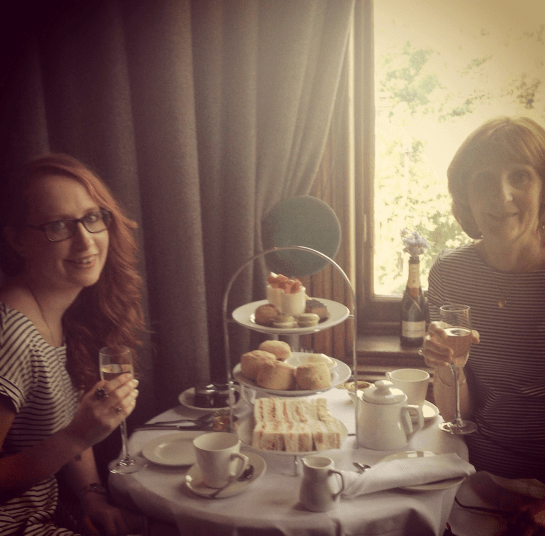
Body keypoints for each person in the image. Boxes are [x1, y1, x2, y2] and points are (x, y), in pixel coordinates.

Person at [0, 154, 146, 535]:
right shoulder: (10, 334)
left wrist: (92, 497)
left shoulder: (61, 311)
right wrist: (78, 435)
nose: (85, 240)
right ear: (17, 240)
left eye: (92, 217)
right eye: (59, 225)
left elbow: (66, 421)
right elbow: (71, 434)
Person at [421, 116, 545, 535]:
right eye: (484, 180)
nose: (502, 195)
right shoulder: (449, 273)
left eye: (520, 176)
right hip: (475, 477)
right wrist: (446, 367)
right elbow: (456, 414)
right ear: (465, 197)